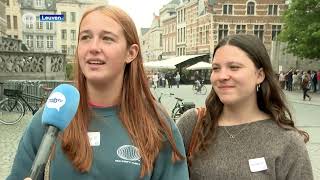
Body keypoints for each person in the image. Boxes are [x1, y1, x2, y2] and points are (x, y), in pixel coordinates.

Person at [7, 5, 188, 180]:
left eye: (107, 38)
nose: (93, 47)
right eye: (85, 37)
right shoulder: (49, 119)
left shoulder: (157, 124)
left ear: (130, 53)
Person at [177, 34, 313, 179]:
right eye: (216, 68)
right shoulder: (192, 124)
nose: (222, 76)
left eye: (234, 67)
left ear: (259, 75)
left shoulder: (288, 141)